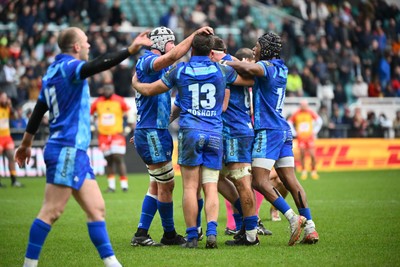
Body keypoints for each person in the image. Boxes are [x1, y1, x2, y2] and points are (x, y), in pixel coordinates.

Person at [14, 27, 152, 267]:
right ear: (77, 47)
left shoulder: (51, 72)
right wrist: (130, 49)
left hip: (74, 151)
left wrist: (26, 143)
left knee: (97, 209)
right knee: (51, 211)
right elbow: (95, 66)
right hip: (66, 148)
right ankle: (29, 264)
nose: (89, 46)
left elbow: (38, 110)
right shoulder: (70, 68)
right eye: (86, 42)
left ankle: (112, 263)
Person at [132, 32, 254, 248]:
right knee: (210, 186)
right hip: (215, 132)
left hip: (189, 132)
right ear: (211, 51)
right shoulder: (221, 69)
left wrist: (136, 84)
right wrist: (239, 63)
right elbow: (250, 79)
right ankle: (212, 233)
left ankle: (191, 236)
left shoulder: (180, 70)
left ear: (191, 49)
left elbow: (152, 89)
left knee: (189, 187)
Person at [223, 32, 319, 245]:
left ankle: (292, 217)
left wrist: (223, 57)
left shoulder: (267, 66)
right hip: (283, 130)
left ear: (265, 49)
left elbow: (249, 69)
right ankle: (311, 227)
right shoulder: (282, 67)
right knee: (291, 181)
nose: (253, 50)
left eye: (256, 46)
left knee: (258, 180)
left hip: (268, 130)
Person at [130, 26, 213, 247]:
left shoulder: (151, 66)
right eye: (171, 42)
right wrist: (194, 35)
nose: (174, 46)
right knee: (166, 186)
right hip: (152, 133)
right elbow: (174, 56)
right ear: (161, 43)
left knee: (156, 185)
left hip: (153, 130)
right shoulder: (148, 60)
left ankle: (141, 233)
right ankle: (168, 235)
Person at [210, 43, 270, 242]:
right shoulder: (238, 72)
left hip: (235, 131)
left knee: (242, 181)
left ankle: (250, 232)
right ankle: (246, 223)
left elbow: (224, 106)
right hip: (237, 130)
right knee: (219, 177)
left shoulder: (225, 68)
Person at [90, 83, 130, 192]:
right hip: (103, 135)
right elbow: (90, 113)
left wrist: (127, 128)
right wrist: (94, 125)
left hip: (117, 134)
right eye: (105, 89)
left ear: (113, 89)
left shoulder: (119, 100)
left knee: (118, 157)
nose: (107, 91)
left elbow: (127, 113)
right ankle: (111, 186)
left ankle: (124, 185)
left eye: (109, 89)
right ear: (103, 90)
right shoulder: (97, 102)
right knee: (108, 160)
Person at [287, 99, 322, 180]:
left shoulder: (310, 112)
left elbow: (319, 121)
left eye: (305, 105)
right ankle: (304, 171)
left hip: (309, 137)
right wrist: (294, 132)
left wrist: (315, 131)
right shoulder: (297, 113)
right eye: (302, 105)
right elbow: (289, 122)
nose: (304, 107)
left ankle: (313, 171)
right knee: (302, 154)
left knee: (312, 155)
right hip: (301, 138)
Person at [0, 92, 23, 188]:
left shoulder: (7, 108)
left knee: (11, 156)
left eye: (6, 98)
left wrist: (10, 106)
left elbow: (16, 117)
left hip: (7, 137)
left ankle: (14, 180)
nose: (5, 100)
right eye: (3, 98)